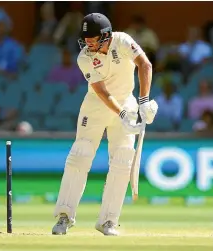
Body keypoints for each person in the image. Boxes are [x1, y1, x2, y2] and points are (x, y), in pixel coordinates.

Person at [51, 13, 158, 236]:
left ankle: (108, 221)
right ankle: (64, 216)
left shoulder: (123, 40)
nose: (87, 42)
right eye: (85, 38)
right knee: (80, 154)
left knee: (122, 158)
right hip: (96, 105)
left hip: (126, 100)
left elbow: (144, 65)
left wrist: (144, 101)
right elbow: (101, 91)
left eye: (92, 38)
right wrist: (121, 114)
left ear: (106, 35)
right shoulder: (84, 58)